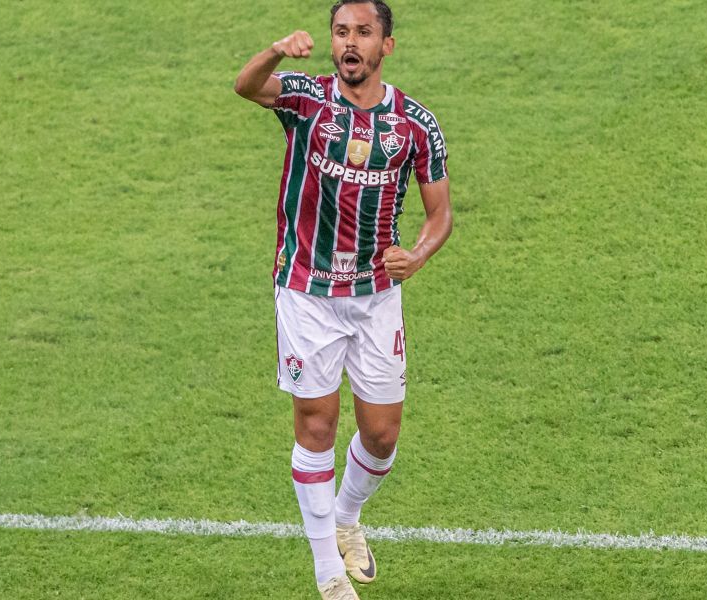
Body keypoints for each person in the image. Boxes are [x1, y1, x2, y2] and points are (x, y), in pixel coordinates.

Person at [234, 1, 452, 598]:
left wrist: (421, 254)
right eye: (340, 32)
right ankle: (328, 572)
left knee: (382, 437)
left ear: (387, 46)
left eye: (362, 33)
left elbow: (441, 213)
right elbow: (246, 85)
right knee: (317, 422)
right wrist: (278, 48)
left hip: (376, 296)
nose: (349, 43)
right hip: (306, 289)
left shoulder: (415, 125)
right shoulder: (307, 98)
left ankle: (348, 517)